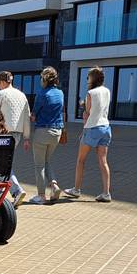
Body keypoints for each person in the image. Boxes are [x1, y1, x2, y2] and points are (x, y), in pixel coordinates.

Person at [65, 67, 113, 203]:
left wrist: (83, 129)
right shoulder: (107, 91)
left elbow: (87, 114)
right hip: (105, 127)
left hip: (92, 128)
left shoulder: (90, 93)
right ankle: (106, 193)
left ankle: (76, 189)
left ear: (93, 78)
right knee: (103, 161)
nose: (87, 79)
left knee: (81, 160)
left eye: (88, 77)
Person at [27, 66, 66, 205]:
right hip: (57, 132)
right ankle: (54, 186)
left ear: (44, 79)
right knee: (47, 161)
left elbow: (33, 115)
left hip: (43, 131)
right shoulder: (60, 93)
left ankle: (41, 196)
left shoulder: (42, 94)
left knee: (39, 165)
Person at [0, 71, 30, 207]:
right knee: (4, 162)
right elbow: (27, 116)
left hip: (3, 133)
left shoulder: (0, 95)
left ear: (2, 82)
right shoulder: (22, 95)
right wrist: (27, 137)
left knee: (2, 163)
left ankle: (16, 190)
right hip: (18, 133)